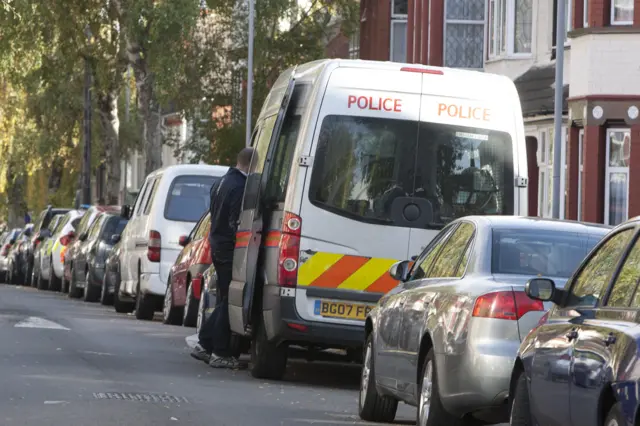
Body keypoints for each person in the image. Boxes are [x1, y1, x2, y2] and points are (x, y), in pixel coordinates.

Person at [191, 147, 254, 369]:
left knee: (225, 299)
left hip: (217, 245)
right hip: (229, 249)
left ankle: (205, 344)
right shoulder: (239, 187)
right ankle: (220, 351)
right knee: (229, 301)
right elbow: (235, 222)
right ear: (251, 165)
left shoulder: (221, 182)